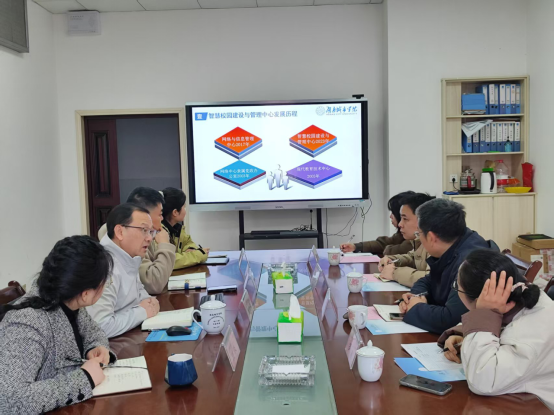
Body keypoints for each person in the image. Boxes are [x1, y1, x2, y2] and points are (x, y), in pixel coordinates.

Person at [0, 236, 116, 415]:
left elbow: (93, 332)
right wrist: (84, 379)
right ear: (85, 293)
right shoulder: (26, 322)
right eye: (104, 283)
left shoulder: (70, 299)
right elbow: (9, 400)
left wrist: (95, 347)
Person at [440, 250, 554, 412]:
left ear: (481, 299)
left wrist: (484, 315)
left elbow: (482, 381)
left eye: (456, 287)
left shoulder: (529, 336)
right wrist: (464, 335)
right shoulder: (522, 297)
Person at [399, 198, 491, 334]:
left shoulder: (470, 263)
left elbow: (451, 320)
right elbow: (428, 280)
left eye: (419, 234)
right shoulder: (455, 243)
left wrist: (416, 308)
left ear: (431, 238)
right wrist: (416, 296)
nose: (419, 239)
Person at [89, 204, 160, 339]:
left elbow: (139, 292)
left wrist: (149, 302)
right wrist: (142, 312)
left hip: (127, 336)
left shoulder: (129, 256)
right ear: (120, 232)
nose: (150, 238)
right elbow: (100, 326)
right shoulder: (102, 265)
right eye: (144, 230)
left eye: (151, 231)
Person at [99, 187, 176, 295]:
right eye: (160, 214)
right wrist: (164, 244)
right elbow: (154, 283)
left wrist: (147, 301)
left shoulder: (147, 236)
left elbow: (139, 290)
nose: (162, 219)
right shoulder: (126, 246)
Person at [378, 193, 435, 288]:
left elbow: (432, 279)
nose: (400, 224)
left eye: (405, 219)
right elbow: (413, 257)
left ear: (423, 219)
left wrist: (394, 273)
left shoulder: (436, 242)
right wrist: (392, 260)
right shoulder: (420, 240)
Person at [341, 191, 416, 257]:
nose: (390, 216)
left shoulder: (415, 239)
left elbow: (393, 251)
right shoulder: (401, 235)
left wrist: (386, 248)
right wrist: (356, 246)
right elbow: (384, 243)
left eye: (393, 213)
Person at [161, 187, 209, 270]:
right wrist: (199, 254)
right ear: (175, 212)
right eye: (184, 207)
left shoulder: (177, 229)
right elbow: (169, 261)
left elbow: (188, 242)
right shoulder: (159, 232)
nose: (185, 211)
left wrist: (191, 249)